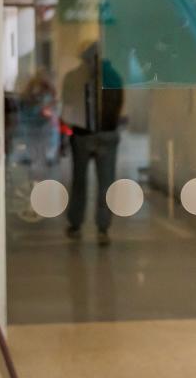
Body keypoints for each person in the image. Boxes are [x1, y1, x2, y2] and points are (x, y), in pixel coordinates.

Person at [61, 41, 124, 246]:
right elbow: (119, 105)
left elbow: (68, 105)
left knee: (79, 182)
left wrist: (67, 132)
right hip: (107, 134)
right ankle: (103, 228)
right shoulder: (114, 76)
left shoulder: (72, 77)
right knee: (105, 183)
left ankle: (76, 225)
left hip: (82, 135)